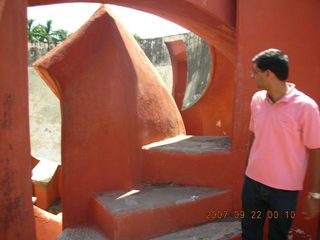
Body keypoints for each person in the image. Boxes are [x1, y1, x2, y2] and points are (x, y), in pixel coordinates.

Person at [242, 48, 320, 240]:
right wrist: (248, 168)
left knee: (279, 236)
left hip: (285, 191)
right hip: (253, 184)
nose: (252, 76)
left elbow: (316, 150)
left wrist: (316, 194)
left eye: (255, 72)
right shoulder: (257, 100)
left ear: (268, 74)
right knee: (250, 233)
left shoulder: (306, 107)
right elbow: (254, 134)